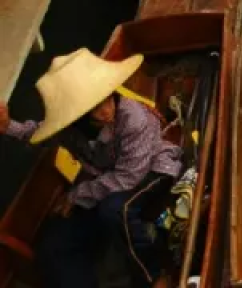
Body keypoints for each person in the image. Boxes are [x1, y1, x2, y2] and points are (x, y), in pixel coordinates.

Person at [0, 49, 183, 288]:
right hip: (102, 183)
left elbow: (128, 178)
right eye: (94, 107)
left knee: (116, 210)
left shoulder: (133, 118)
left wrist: (77, 195)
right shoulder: (70, 126)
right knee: (53, 247)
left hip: (151, 169)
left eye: (107, 99)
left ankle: (155, 274)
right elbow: (37, 132)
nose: (106, 110)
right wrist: (7, 127)